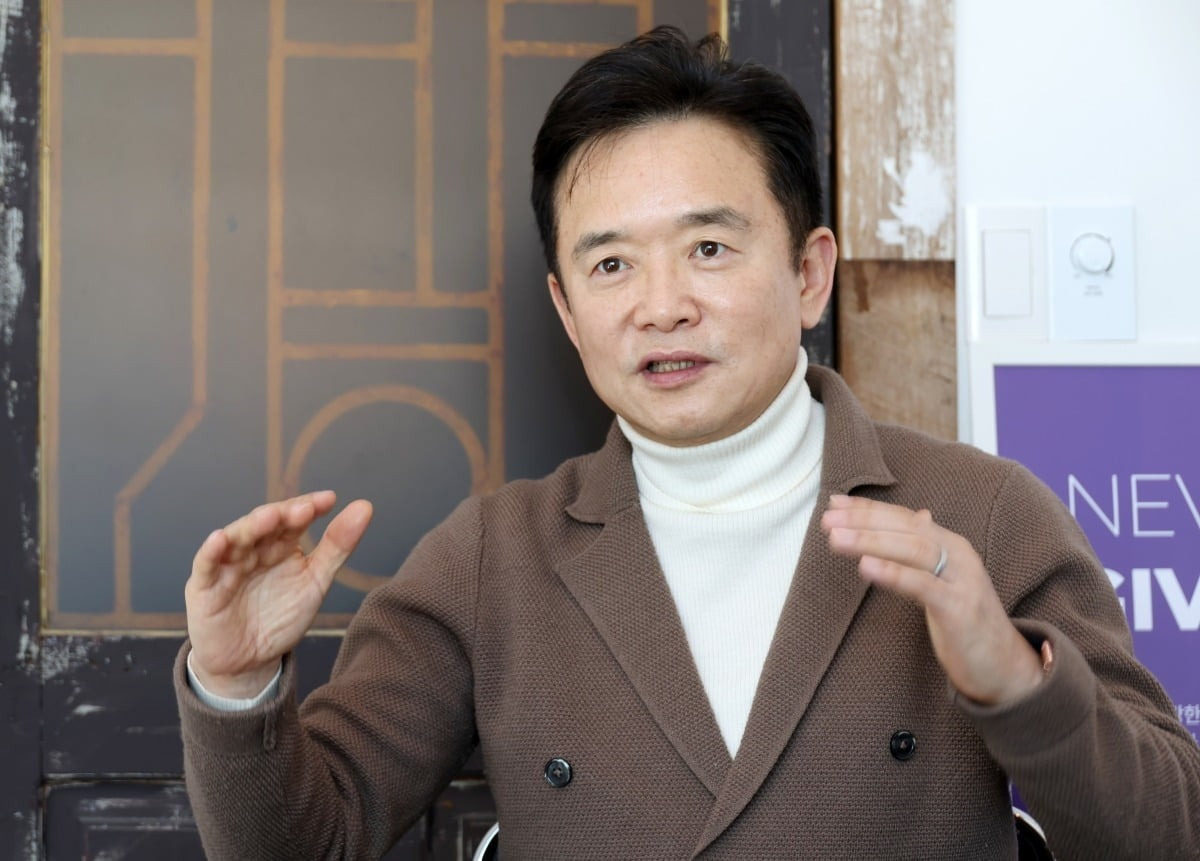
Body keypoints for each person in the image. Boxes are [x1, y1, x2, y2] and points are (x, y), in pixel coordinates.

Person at [176, 27, 1200, 860]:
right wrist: (236, 686)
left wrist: (1019, 684)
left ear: (809, 273)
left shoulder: (980, 515)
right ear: (567, 310)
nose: (661, 305)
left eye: (709, 248)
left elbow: (1168, 833)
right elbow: (311, 843)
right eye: (611, 265)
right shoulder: (491, 559)